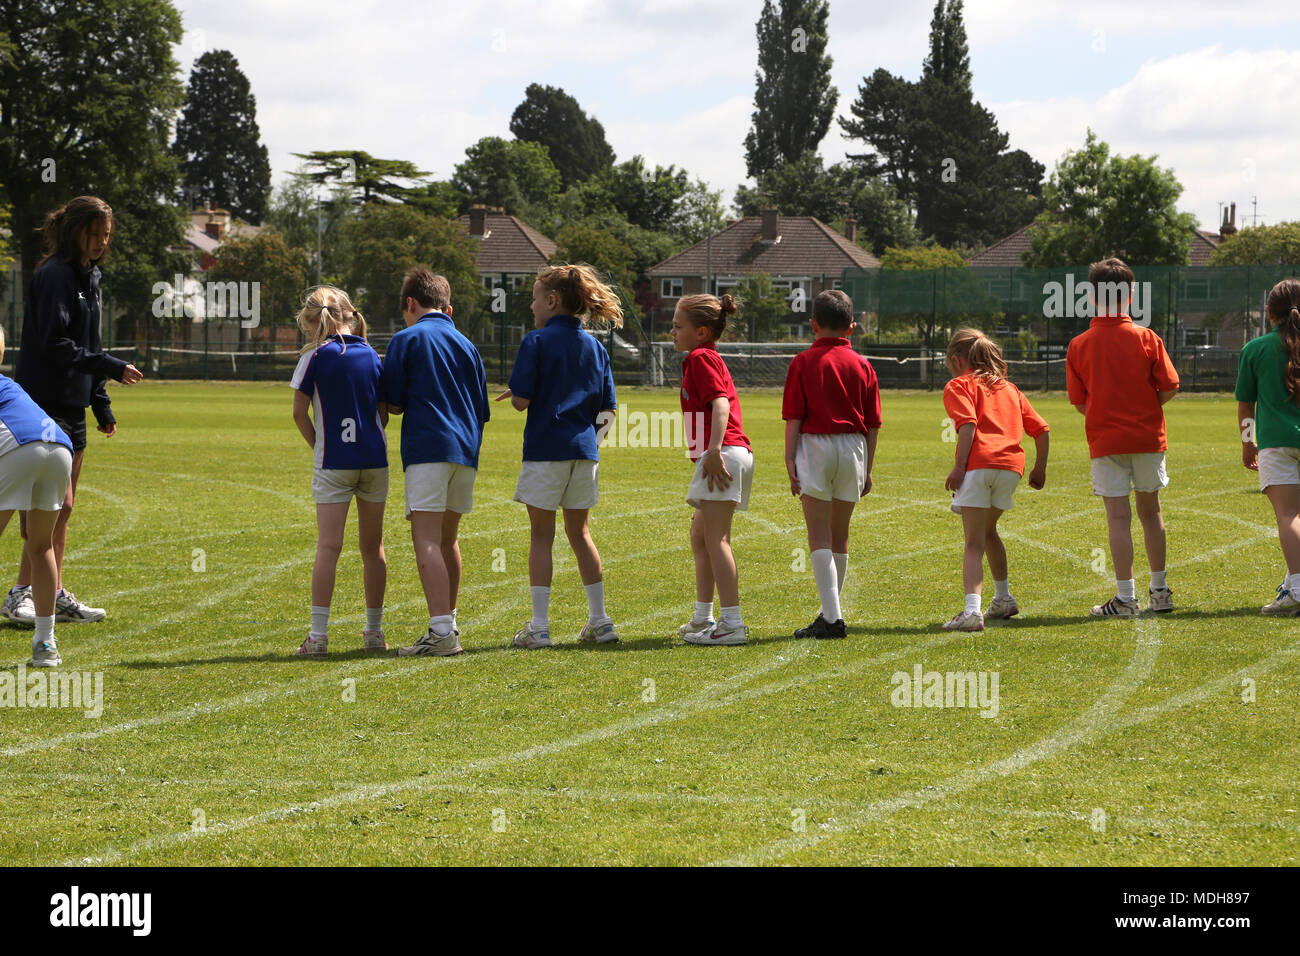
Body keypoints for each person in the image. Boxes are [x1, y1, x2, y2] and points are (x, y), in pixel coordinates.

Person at [2, 196, 143, 627]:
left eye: (107, 236)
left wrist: (100, 400)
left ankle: (51, 591)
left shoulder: (91, 277)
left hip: (73, 405)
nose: (102, 242)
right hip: (40, 403)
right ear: (74, 231)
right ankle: (22, 594)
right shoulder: (54, 276)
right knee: (30, 507)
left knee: (64, 506)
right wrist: (111, 367)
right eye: (95, 234)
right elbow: (55, 343)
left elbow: (90, 342)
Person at [497, 265, 621, 649]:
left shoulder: (535, 341)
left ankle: (539, 626)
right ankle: (600, 622)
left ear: (552, 301)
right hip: (584, 452)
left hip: (546, 450)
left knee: (541, 535)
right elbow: (608, 411)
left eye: (535, 298)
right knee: (581, 533)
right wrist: (590, 444)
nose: (532, 306)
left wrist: (514, 393)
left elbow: (522, 401)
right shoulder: (595, 347)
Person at [382, 269, 489, 657]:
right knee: (448, 538)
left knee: (425, 537)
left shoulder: (406, 338)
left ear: (410, 304)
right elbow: (481, 409)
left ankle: (442, 631)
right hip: (466, 449)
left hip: (428, 447)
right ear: (447, 306)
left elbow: (393, 403)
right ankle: (450, 622)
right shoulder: (467, 343)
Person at [1066, 257, 1179, 618]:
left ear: (1091, 296)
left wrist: (1105, 414)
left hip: (1106, 441)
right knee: (1152, 513)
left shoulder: (1079, 344)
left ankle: (1126, 598)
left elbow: (1079, 401)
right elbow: (1171, 385)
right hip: (1147, 438)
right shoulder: (1147, 337)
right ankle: (1159, 592)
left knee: (1118, 518)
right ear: (1130, 295)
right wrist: (1145, 408)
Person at [289, 287, 389, 656]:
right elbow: (383, 412)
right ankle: (375, 633)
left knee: (328, 547)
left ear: (315, 322)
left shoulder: (314, 357)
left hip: (334, 461)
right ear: (349, 315)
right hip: (374, 459)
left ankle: (318, 637)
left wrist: (318, 443)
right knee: (373, 547)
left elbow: (299, 413)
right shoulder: (373, 356)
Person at [782, 289, 881, 640]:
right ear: (852, 327)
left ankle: (832, 618)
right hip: (854, 446)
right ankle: (829, 613)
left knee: (818, 534)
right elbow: (873, 424)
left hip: (816, 445)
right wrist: (867, 467)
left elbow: (793, 418)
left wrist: (789, 459)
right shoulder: (864, 365)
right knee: (841, 535)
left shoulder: (802, 362)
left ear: (813, 325)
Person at [941, 330, 1049, 632]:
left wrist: (960, 466)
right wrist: (1039, 469)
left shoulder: (958, 385)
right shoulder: (1011, 390)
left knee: (973, 542)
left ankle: (971, 612)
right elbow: (1042, 430)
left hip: (979, 465)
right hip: (1011, 468)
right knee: (989, 532)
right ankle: (1003, 598)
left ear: (957, 359)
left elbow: (968, 426)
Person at [671, 292, 753, 646]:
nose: (672, 332)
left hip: (723, 454)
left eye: (678, 326)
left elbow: (720, 405)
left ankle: (732, 624)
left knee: (717, 539)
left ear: (701, 331)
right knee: (700, 537)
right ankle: (702, 617)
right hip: (727, 453)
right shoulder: (703, 356)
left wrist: (715, 450)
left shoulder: (700, 358)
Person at [0, 328, 75, 666]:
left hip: (20, 448)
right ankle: (46, 646)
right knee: (40, 545)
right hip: (60, 449)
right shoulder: (12, 387)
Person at [1235, 278, 1300, 615]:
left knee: (1289, 516)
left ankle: (1297, 591)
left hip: (1276, 443)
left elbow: (1246, 405)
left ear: (1269, 312)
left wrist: (1249, 444)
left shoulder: (1255, 349)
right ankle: (1292, 585)